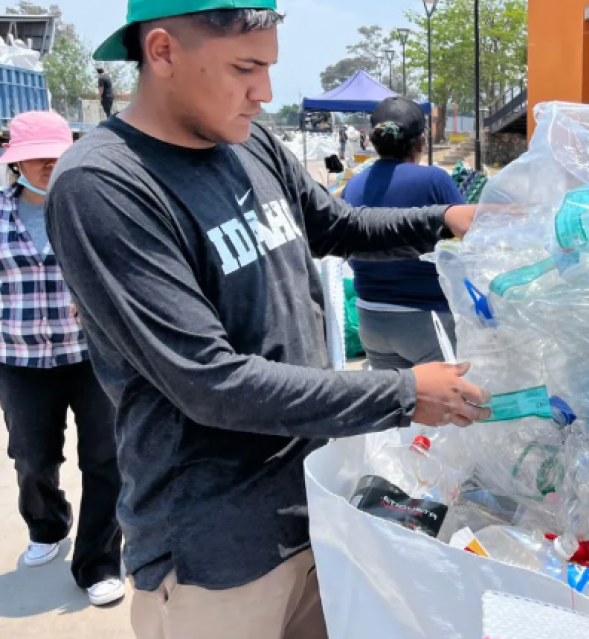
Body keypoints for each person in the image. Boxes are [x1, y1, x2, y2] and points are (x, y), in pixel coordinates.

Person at [46, 3, 489, 638]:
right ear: (164, 52)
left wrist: (443, 222)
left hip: (311, 503)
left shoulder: (247, 139)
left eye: (270, 67)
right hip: (215, 549)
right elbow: (209, 381)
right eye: (245, 67)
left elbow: (337, 225)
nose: (266, 92)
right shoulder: (105, 185)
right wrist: (405, 392)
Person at [0, 111, 125, 607]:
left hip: (91, 354)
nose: (48, 163)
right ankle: (48, 525)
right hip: (19, 357)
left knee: (105, 458)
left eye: (56, 152)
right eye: (36, 156)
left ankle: (98, 561)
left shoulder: (92, 206)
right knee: (32, 458)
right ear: (16, 162)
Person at [342, 97, 465, 370]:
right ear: (421, 141)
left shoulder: (354, 185)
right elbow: (467, 241)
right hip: (427, 319)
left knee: (397, 407)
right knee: (448, 408)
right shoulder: (435, 180)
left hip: (371, 318)